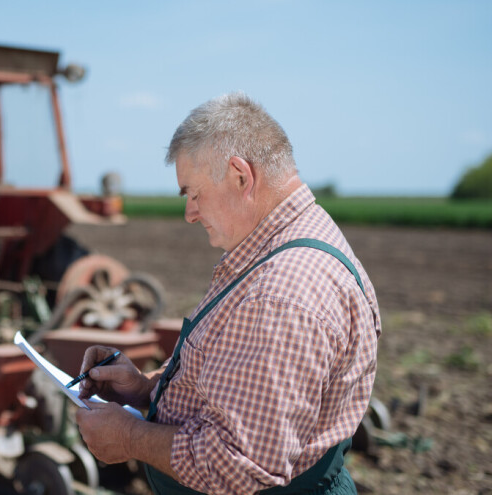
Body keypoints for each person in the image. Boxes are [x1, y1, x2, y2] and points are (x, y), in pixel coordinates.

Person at [74, 92, 380, 495]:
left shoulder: (281, 294)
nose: (190, 213)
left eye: (195, 193)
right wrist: (148, 388)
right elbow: (235, 379)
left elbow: (239, 465)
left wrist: (131, 437)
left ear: (241, 176)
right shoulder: (281, 248)